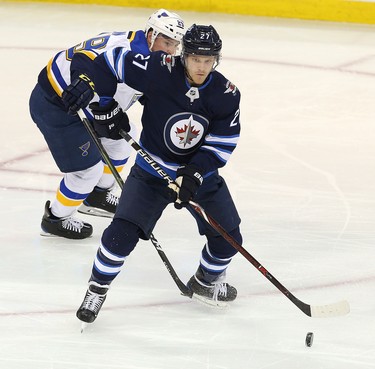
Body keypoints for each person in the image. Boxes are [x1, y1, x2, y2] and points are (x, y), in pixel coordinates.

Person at [72, 23, 242, 323]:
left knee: (229, 237)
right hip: (152, 171)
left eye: (208, 60)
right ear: (184, 56)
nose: (201, 67)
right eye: (195, 59)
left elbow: (222, 142)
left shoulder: (225, 94)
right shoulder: (158, 68)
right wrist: (104, 105)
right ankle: (97, 289)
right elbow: (107, 62)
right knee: (119, 235)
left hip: (199, 178)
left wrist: (194, 174)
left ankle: (206, 280)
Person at [29, 9, 185, 239]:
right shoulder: (123, 48)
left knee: (121, 142)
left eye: (175, 45)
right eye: (167, 42)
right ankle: (56, 218)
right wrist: (82, 80)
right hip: (58, 106)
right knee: (86, 173)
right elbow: (85, 57)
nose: (171, 50)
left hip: (91, 107)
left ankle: (98, 196)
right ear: (151, 35)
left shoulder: (153, 58)